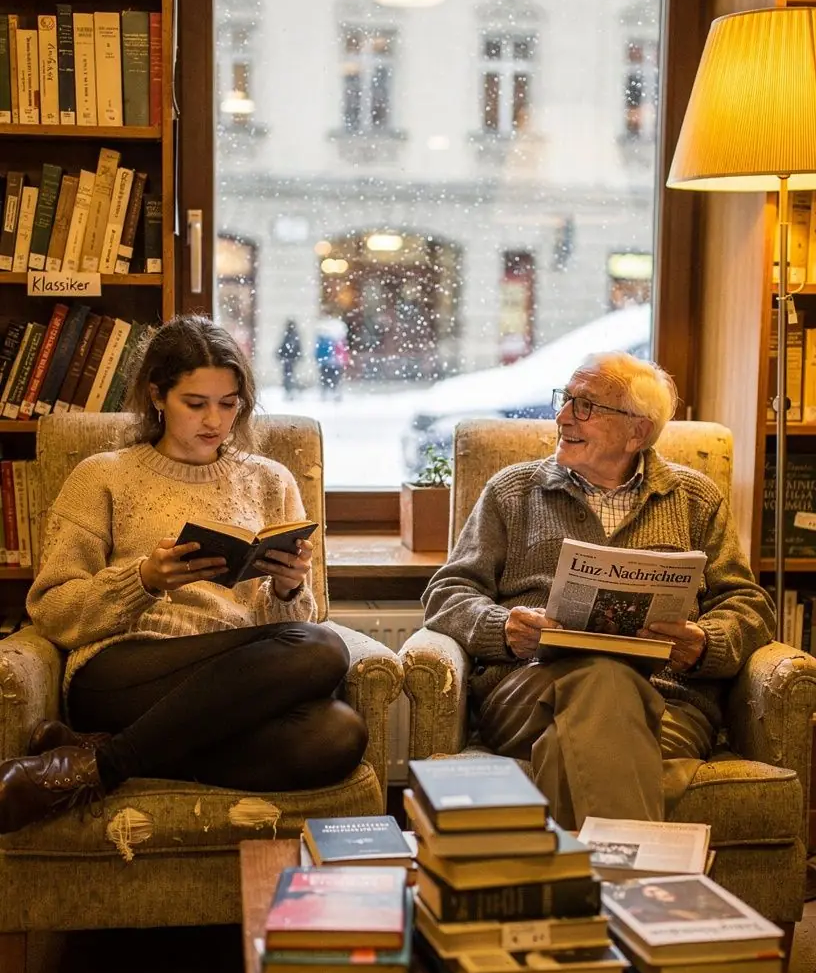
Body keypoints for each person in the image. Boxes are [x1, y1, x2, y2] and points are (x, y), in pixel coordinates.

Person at [0, 316, 367, 836]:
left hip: (231, 684)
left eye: (229, 402)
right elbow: (53, 612)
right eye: (195, 403)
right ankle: (102, 760)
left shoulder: (270, 480)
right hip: (123, 673)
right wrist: (143, 581)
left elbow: (282, 630)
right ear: (157, 395)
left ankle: (102, 760)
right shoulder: (102, 474)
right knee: (321, 647)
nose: (214, 420)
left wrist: (288, 587)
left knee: (339, 735)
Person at [422, 351, 775, 829]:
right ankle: (639, 884)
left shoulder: (695, 500)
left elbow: (748, 605)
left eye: (585, 406)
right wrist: (502, 628)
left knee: (585, 724)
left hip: (667, 704)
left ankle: (585, 886)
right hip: (528, 694)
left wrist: (703, 643)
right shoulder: (513, 491)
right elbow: (448, 592)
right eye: (565, 400)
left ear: (637, 431)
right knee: (604, 680)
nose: (564, 416)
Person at [277, 318, 302, 398]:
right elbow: (297, 347)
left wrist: (280, 354)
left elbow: (283, 346)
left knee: (288, 375)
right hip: (290, 358)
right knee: (289, 375)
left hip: (288, 358)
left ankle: (289, 390)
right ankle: (290, 390)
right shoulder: (294, 335)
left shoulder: (289, 334)